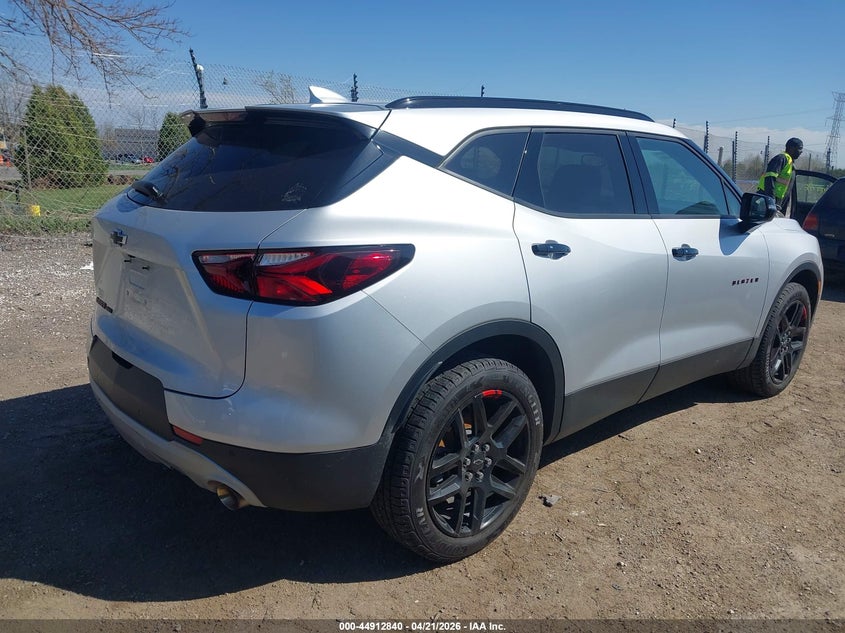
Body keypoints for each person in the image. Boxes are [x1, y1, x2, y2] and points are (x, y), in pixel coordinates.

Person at [757, 138, 803, 216]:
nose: (801, 152)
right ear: (791, 148)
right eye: (800, 149)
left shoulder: (790, 163)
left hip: (778, 201)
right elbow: (770, 177)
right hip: (767, 199)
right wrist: (771, 200)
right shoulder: (781, 158)